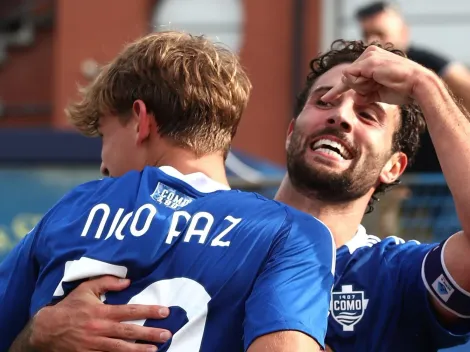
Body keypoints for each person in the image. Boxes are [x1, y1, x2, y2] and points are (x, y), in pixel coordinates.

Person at [0, 31, 335, 352]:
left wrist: (37, 335)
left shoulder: (73, 208)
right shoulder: (291, 236)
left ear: (141, 120)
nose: (102, 164)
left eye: (104, 136)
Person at [276, 39, 470, 351]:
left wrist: (426, 85)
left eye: (367, 115)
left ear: (393, 167)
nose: (341, 117)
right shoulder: (211, 232)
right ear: (290, 133)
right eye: (324, 102)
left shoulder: (395, 275)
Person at [355, 1, 470, 173]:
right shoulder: (362, 69)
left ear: (403, 33)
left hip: (438, 178)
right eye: (367, 34)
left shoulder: (428, 65)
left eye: (380, 33)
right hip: (394, 174)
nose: (372, 42)